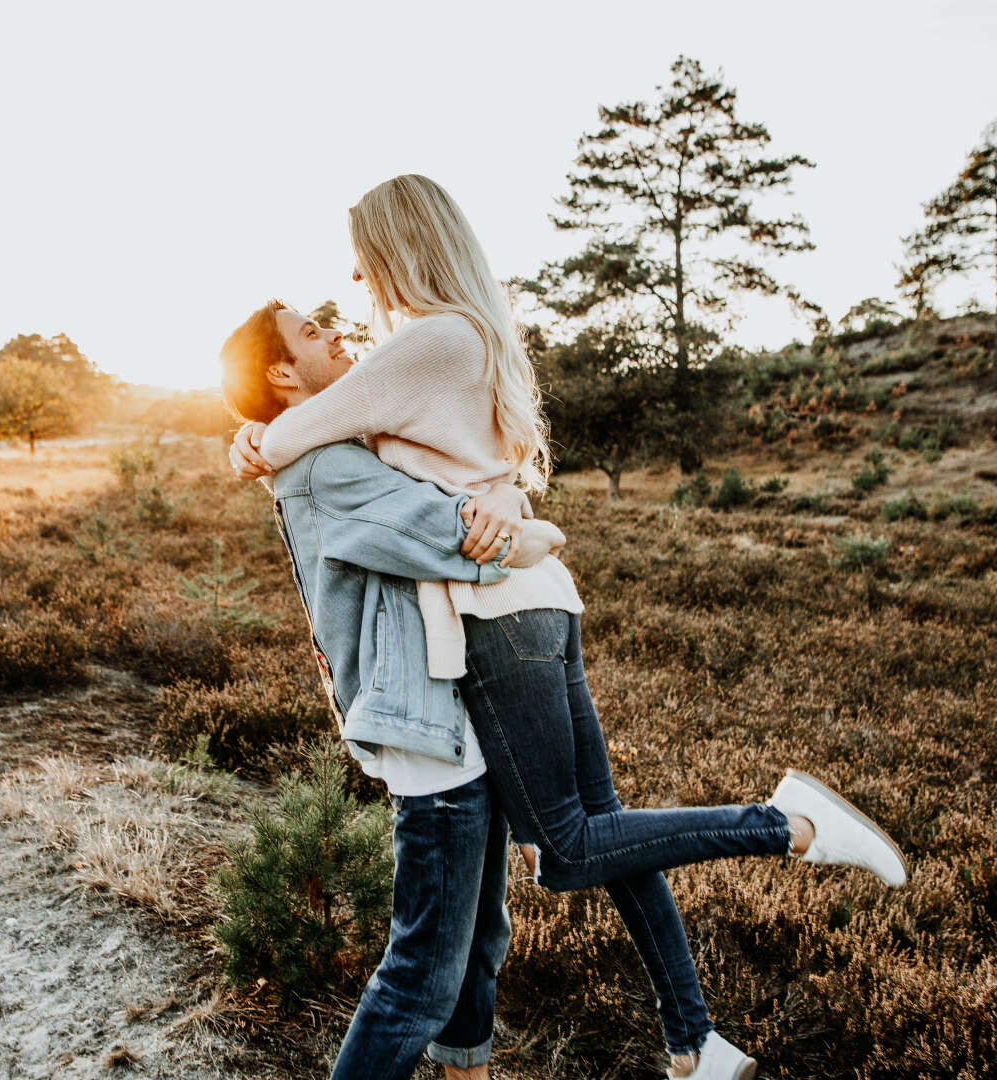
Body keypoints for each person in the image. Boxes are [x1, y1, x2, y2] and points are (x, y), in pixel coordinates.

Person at [225, 173, 908, 1080]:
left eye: (361, 265)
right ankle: (693, 1039)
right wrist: (533, 527)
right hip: (535, 595)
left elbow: (291, 438)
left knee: (573, 844)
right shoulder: (463, 335)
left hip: (494, 610)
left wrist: (244, 439)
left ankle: (786, 825)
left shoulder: (429, 340)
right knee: (604, 831)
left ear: (399, 246)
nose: (354, 288)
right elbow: (412, 464)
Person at [219, 300, 562, 1080]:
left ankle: (467, 1072)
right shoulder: (326, 466)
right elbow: (463, 537)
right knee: (419, 979)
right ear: (280, 371)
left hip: (449, 713)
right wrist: (533, 528)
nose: (336, 334)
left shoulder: (335, 443)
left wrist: (503, 497)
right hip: (423, 728)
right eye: (312, 332)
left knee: (478, 941)